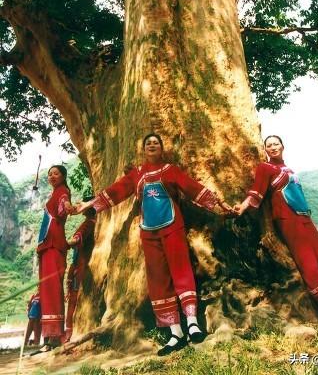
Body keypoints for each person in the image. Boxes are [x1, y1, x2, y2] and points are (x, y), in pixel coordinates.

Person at [73, 133, 233, 356]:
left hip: (173, 227)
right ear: (143, 149)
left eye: (155, 143)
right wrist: (90, 204)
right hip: (149, 233)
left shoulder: (170, 170)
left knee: (182, 272)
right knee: (158, 279)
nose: (151, 145)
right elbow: (116, 191)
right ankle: (175, 333)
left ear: (161, 148)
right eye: (148, 143)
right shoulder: (136, 174)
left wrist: (219, 203)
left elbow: (192, 187)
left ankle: (193, 325)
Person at [233, 136, 318, 320]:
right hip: (287, 218)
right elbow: (256, 192)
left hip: (304, 217)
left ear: (283, 146)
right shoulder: (266, 168)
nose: (273, 147)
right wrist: (243, 206)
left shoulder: (288, 169)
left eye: (276, 144)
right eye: (269, 145)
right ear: (265, 149)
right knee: (308, 261)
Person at [37, 164, 72, 348]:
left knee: (53, 288)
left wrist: (67, 206)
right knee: (46, 289)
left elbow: (63, 203)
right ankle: (49, 337)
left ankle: (56, 336)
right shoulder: (53, 193)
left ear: (63, 176)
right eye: (49, 174)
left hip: (54, 244)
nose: (51, 176)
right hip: (45, 245)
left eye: (56, 173)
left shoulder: (62, 191)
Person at [64, 203, 96, 342]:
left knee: (74, 300)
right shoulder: (93, 223)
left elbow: (78, 237)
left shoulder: (89, 224)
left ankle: (69, 332)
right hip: (81, 265)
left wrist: (66, 244)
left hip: (83, 267)